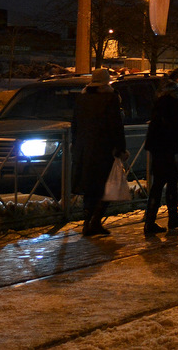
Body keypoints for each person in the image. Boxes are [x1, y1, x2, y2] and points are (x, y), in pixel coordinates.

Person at [71, 68, 127, 237]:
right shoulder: (110, 98)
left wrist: (77, 145)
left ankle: (87, 222)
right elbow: (115, 126)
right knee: (107, 186)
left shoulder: (81, 98)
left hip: (84, 149)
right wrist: (121, 148)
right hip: (104, 150)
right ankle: (95, 221)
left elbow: (75, 125)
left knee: (90, 187)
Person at [143, 67, 178, 236]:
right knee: (160, 183)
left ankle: (171, 218)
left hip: (161, 144)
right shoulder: (174, 96)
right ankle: (151, 222)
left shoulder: (163, 93)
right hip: (166, 144)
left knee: (169, 180)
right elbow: (176, 122)